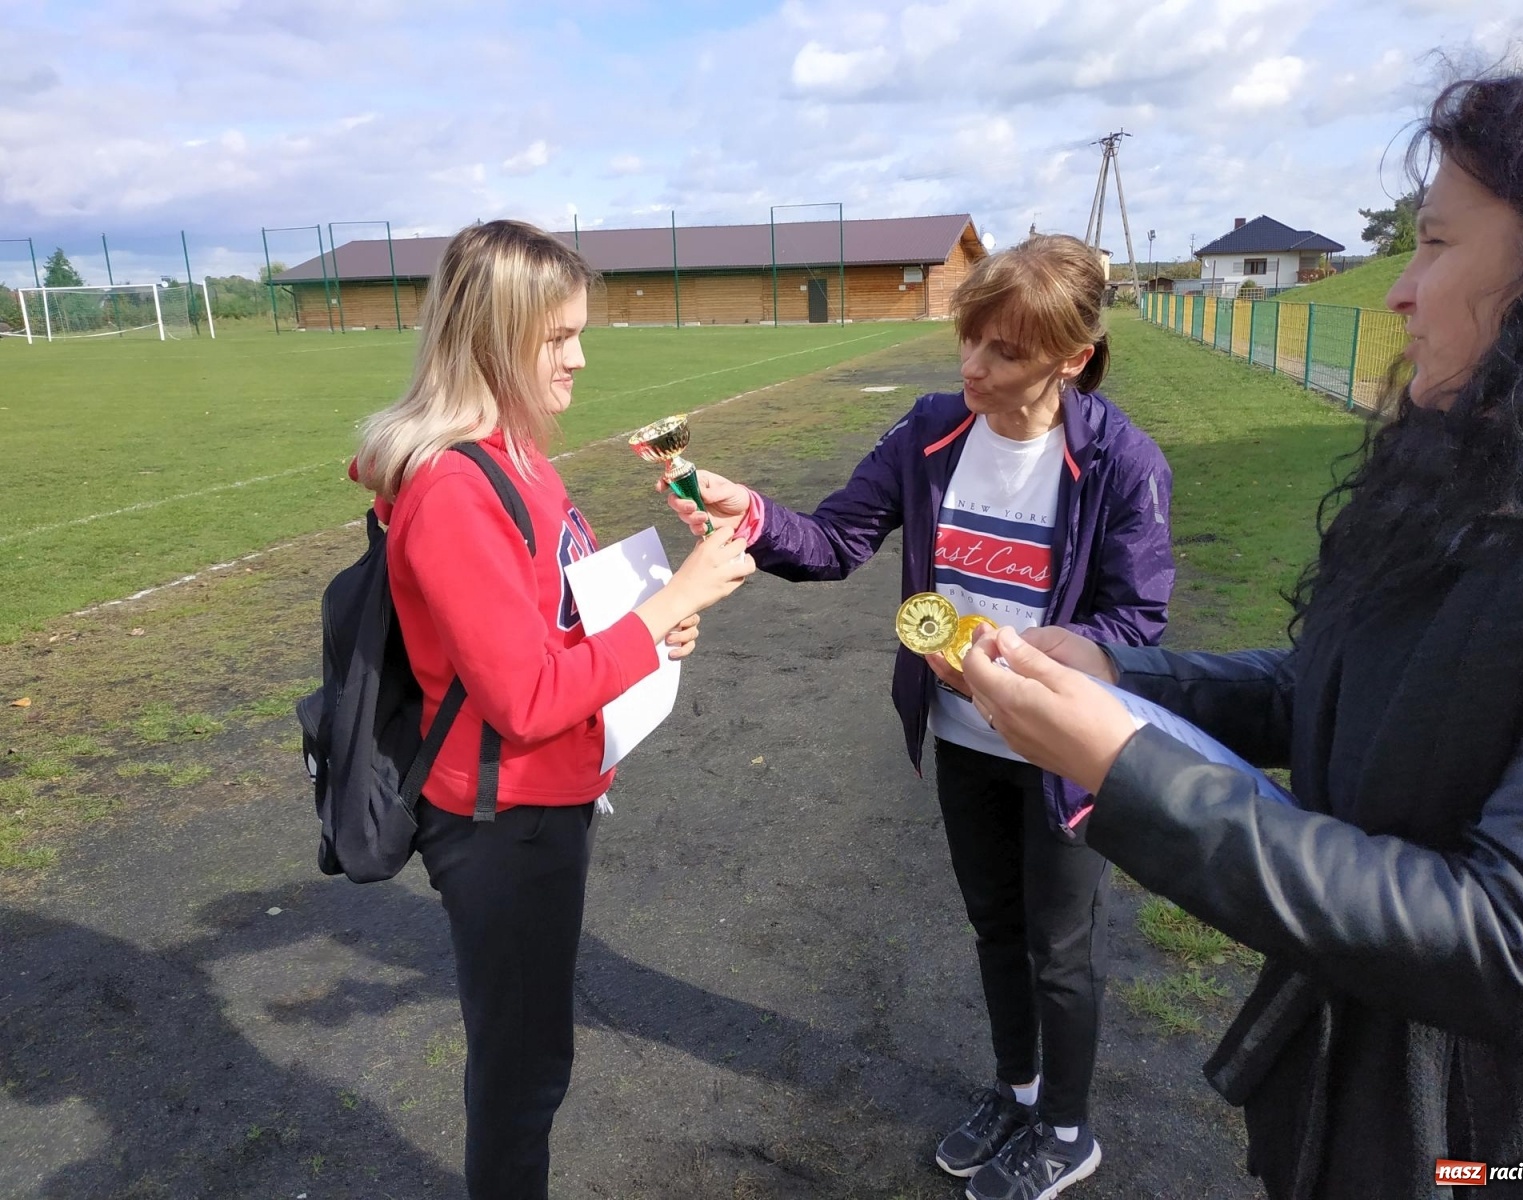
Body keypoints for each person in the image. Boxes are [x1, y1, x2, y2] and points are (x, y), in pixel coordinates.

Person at [960, 35, 1523, 1200]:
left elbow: (1518, 943)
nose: (1399, 287)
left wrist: (1129, 770)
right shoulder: (1485, 474)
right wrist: (1117, 674)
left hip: (1490, 1147)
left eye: (1440, 245)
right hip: (1345, 1082)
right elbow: (1330, 689)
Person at [661, 235, 1175, 1198]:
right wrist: (748, 511)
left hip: (1062, 747)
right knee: (993, 925)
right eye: (970, 339)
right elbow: (835, 540)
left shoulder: (1119, 460)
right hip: (962, 738)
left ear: (1072, 357)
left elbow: (1135, 621)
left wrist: (1030, 663)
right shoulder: (932, 432)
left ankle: (1068, 1129)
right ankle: (1018, 1090)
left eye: (1006, 352)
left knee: (1058, 945)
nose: (974, 367)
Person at [353, 220, 755, 1200]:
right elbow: (525, 695)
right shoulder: (455, 486)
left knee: (533, 1061)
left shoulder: (522, 457)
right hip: (501, 818)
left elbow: (551, 621)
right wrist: (671, 602)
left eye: (580, 331)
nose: (579, 356)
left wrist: (646, 632)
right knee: (522, 1078)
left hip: (547, 796)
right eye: (556, 337)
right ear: (490, 338)